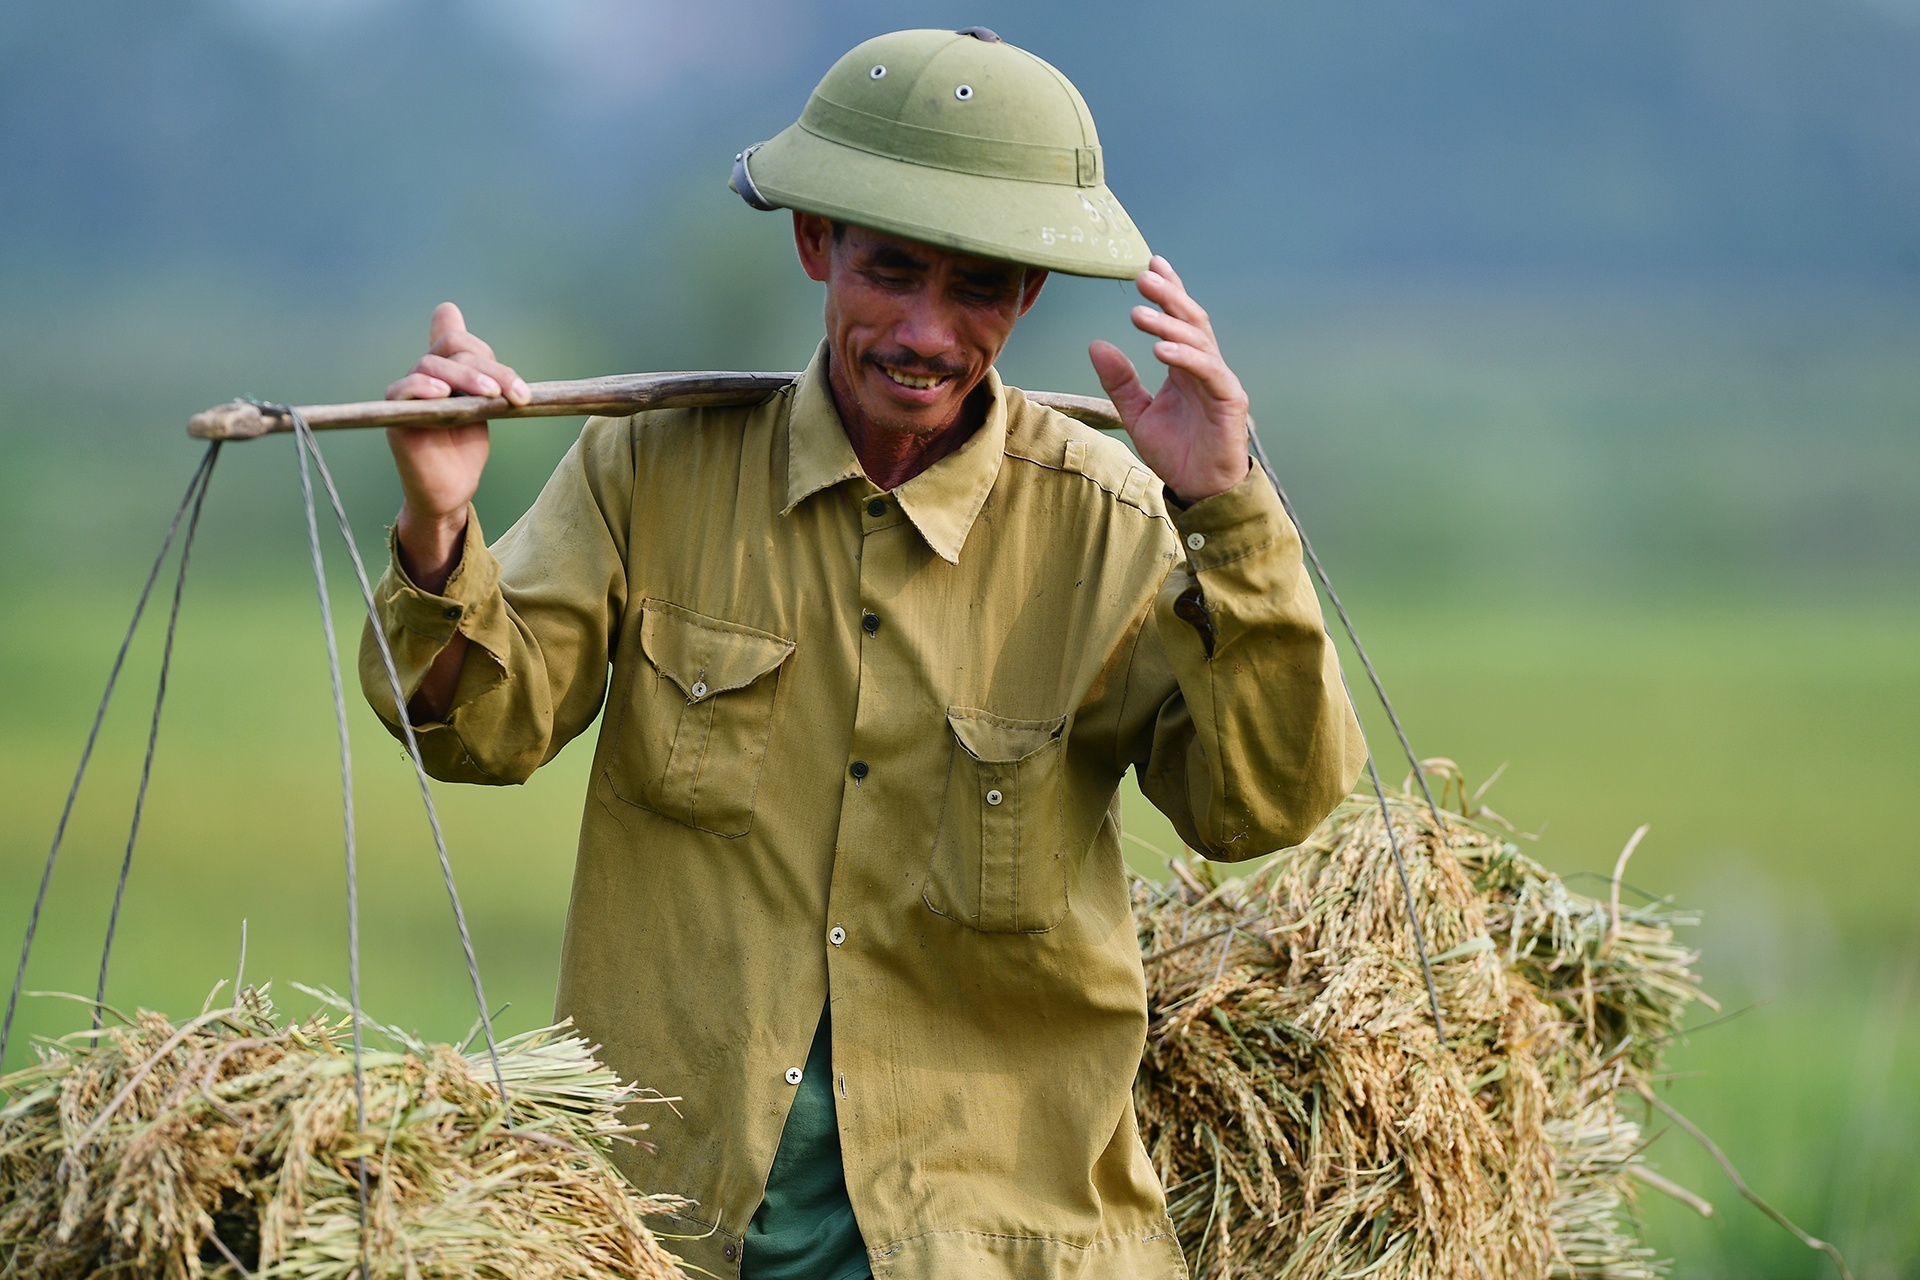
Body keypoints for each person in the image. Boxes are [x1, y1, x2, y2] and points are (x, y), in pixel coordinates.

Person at [363, 27, 1365, 1280]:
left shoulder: (1113, 518)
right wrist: (437, 521)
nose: (928, 332)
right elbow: (474, 728)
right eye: (891, 273)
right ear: (814, 246)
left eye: (979, 288)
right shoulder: (649, 468)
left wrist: (1229, 507)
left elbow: (1259, 801)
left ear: (1029, 298)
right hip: (672, 1224)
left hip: (1001, 1238)